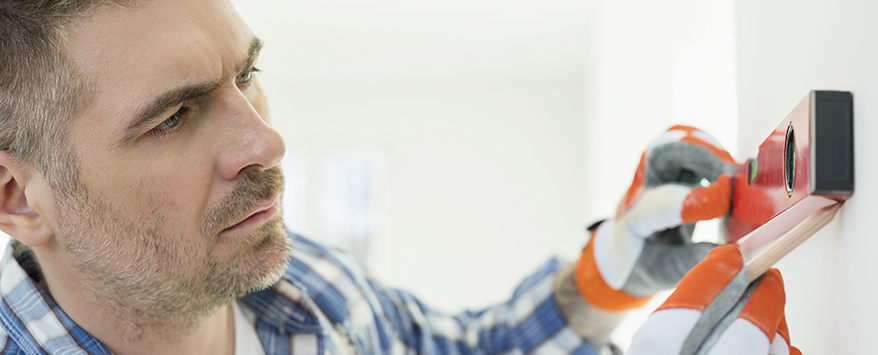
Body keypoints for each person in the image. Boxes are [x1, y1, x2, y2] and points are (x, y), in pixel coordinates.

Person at [0, 0, 799, 354]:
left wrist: (604, 276)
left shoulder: (301, 283)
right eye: (172, 117)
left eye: (247, 74)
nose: (266, 141)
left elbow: (470, 348)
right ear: (17, 197)